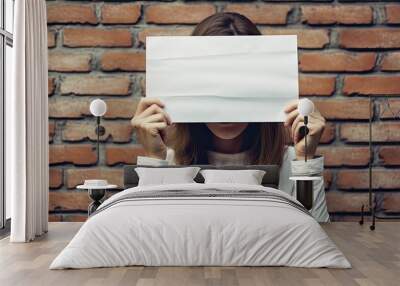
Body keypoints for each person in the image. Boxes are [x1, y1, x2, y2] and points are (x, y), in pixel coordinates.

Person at [131, 12, 329, 222]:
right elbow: (145, 234)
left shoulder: (293, 163)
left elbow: (318, 236)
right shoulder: (168, 163)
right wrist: (154, 160)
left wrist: (306, 161)